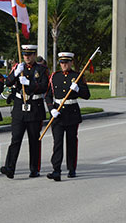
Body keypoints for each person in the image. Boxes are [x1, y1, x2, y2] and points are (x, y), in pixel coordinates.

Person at [1, 45, 49, 179]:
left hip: (34, 108)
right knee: (15, 139)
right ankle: (10, 167)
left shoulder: (41, 69)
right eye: (25, 54)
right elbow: (8, 83)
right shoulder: (18, 68)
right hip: (19, 108)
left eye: (30, 54)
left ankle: (35, 169)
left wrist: (29, 83)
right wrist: (15, 73)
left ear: (34, 55)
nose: (27, 57)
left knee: (34, 140)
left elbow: (44, 87)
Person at [45, 52, 90, 181]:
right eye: (62, 62)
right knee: (57, 143)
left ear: (71, 63)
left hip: (72, 113)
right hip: (58, 114)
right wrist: (51, 109)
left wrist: (78, 90)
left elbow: (87, 95)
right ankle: (56, 170)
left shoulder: (77, 76)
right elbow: (48, 95)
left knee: (71, 143)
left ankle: (72, 169)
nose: (64, 65)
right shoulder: (54, 76)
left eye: (66, 62)